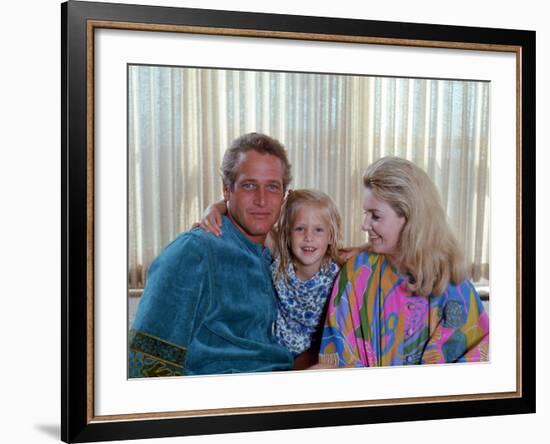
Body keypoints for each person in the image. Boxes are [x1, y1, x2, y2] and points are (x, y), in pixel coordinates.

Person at [128, 132, 294, 377]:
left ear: (284, 196)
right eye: (249, 185)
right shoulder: (194, 253)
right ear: (227, 190)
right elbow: (145, 363)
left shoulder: (281, 254)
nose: (262, 200)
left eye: (272, 187)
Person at [317, 156, 489, 368]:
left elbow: (477, 364)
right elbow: (337, 356)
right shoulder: (357, 272)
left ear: (410, 218)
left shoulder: (453, 284)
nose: (364, 225)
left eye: (375, 216)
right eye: (365, 213)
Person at [198, 189, 345, 369]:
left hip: (311, 354)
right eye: (300, 229)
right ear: (287, 233)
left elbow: (373, 253)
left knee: (328, 369)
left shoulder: (336, 271)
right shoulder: (282, 257)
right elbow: (238, 214)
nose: (308, 237)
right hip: (271, 348)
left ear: (331, 235)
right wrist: (213, 209)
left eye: (318, 230)